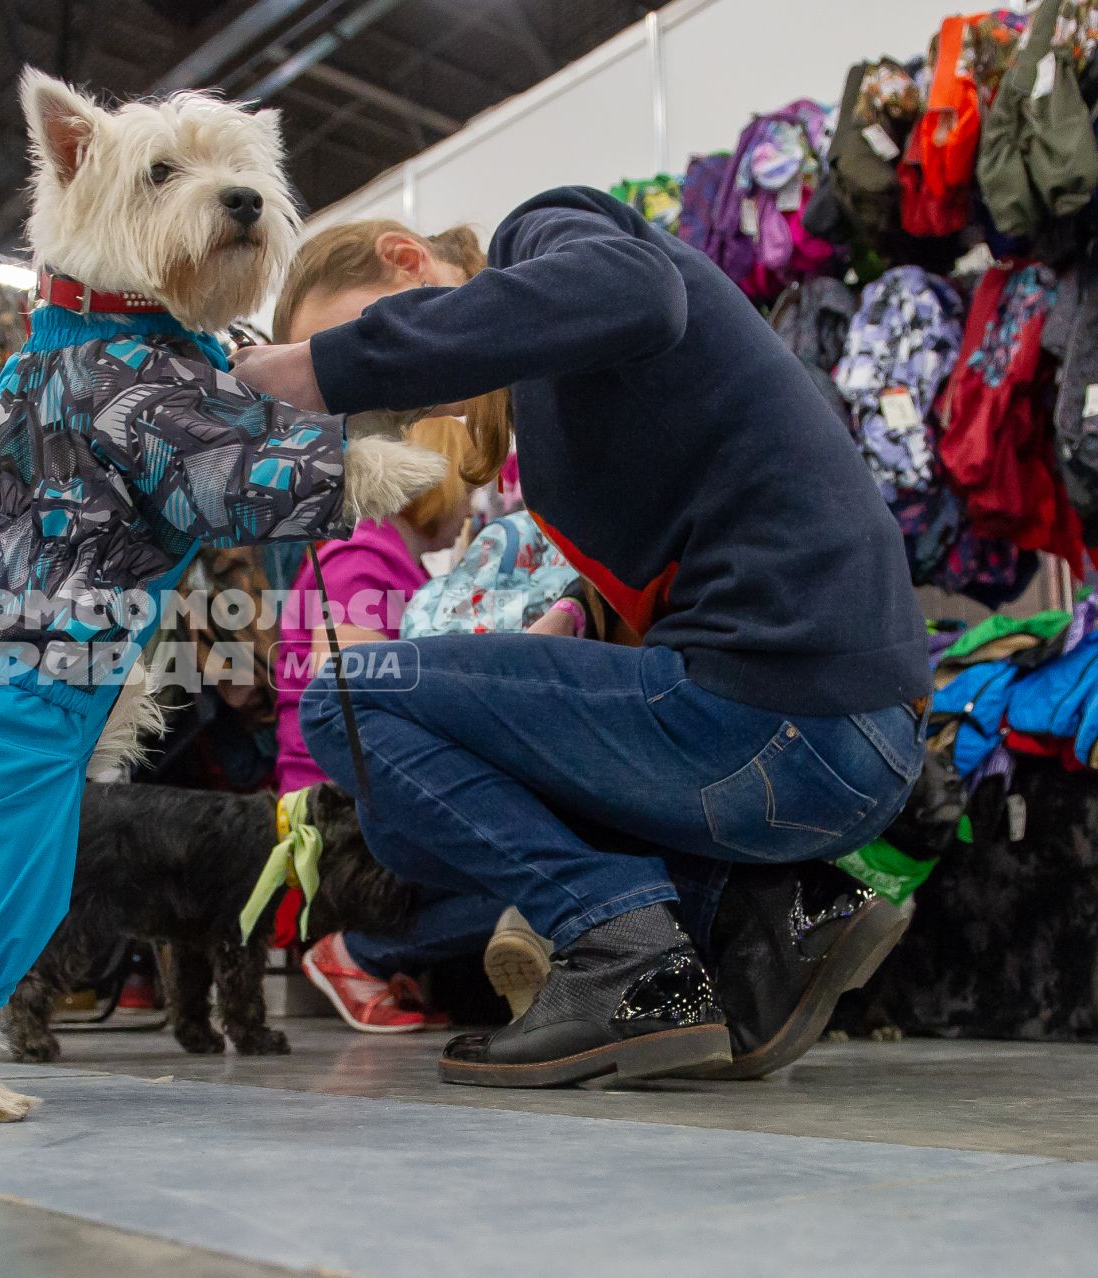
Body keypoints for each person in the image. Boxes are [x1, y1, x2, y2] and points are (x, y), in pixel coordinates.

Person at [231, 187, 928, 1088]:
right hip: (834, 733)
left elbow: (639, 290)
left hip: (790, 714)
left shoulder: (544, 233)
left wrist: (316, 369)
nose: (381, 388)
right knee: (395, 823)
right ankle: (772, 913)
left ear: (409, 261)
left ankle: (625, 952)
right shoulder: (554, 419)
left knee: (352, 697)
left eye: (359, 335)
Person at [271, 225, 551, 1033]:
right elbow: (353, 709)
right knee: (537, 873)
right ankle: (359, 949)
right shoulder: (358, 559)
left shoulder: (385, 565)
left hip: (344, 808)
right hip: (329, 824)